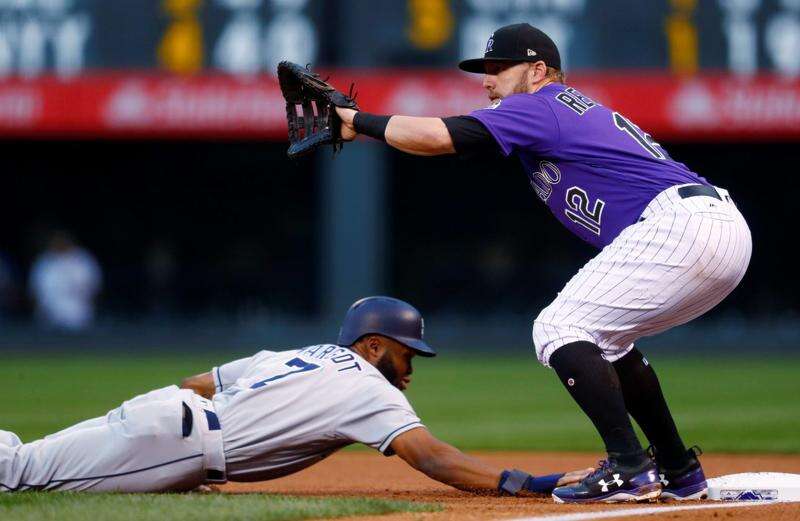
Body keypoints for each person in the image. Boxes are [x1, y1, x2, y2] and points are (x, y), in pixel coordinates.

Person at [334, 23, 752, 503]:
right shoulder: (554, 110)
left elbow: (438, 136)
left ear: (537, 71)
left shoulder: (541, 104)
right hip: (710, 226)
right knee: (608, 341)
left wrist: (357, 120)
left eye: (497, 68)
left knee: (558, 327)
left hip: (682, 225)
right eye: (483, 71)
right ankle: (678, 469)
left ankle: (629, 466)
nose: (487, 80)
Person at [0, 296, 590, 494]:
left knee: (23, 458)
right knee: (20, 475)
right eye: (408, 354)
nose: (411, 369)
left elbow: (196, 384)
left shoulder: (299, 354)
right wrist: (529, 482)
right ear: (376, 345)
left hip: (163, 412)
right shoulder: (367, 388)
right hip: (178, 440)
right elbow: (430, 456)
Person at [28, 231, 102, 331]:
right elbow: (35, 289)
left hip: (78, 315)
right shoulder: (44, 261)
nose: (60, 244)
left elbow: (94, 286)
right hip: (49, 316)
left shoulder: (82, 260)